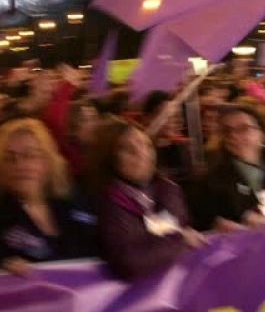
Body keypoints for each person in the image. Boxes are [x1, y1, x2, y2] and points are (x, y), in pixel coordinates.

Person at [0, 119, 97, 283]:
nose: (20, 165)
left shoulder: (73, 203)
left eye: (30, 155)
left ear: (47, 162)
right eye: (9, 158)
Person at [87, 117, 204, 280]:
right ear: (111, 158)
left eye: (147, 145)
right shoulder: (109, 205)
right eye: (128, 149)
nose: (142, 154)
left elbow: (170, 229)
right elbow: (131, 264)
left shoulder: (167, 189)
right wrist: (180, 240)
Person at [191, 105, 265, 232]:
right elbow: (203, 224)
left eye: (243, 128)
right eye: (227, 131)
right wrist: (218, 226)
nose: (234, 135)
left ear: (262, 134)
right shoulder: (211, 181)